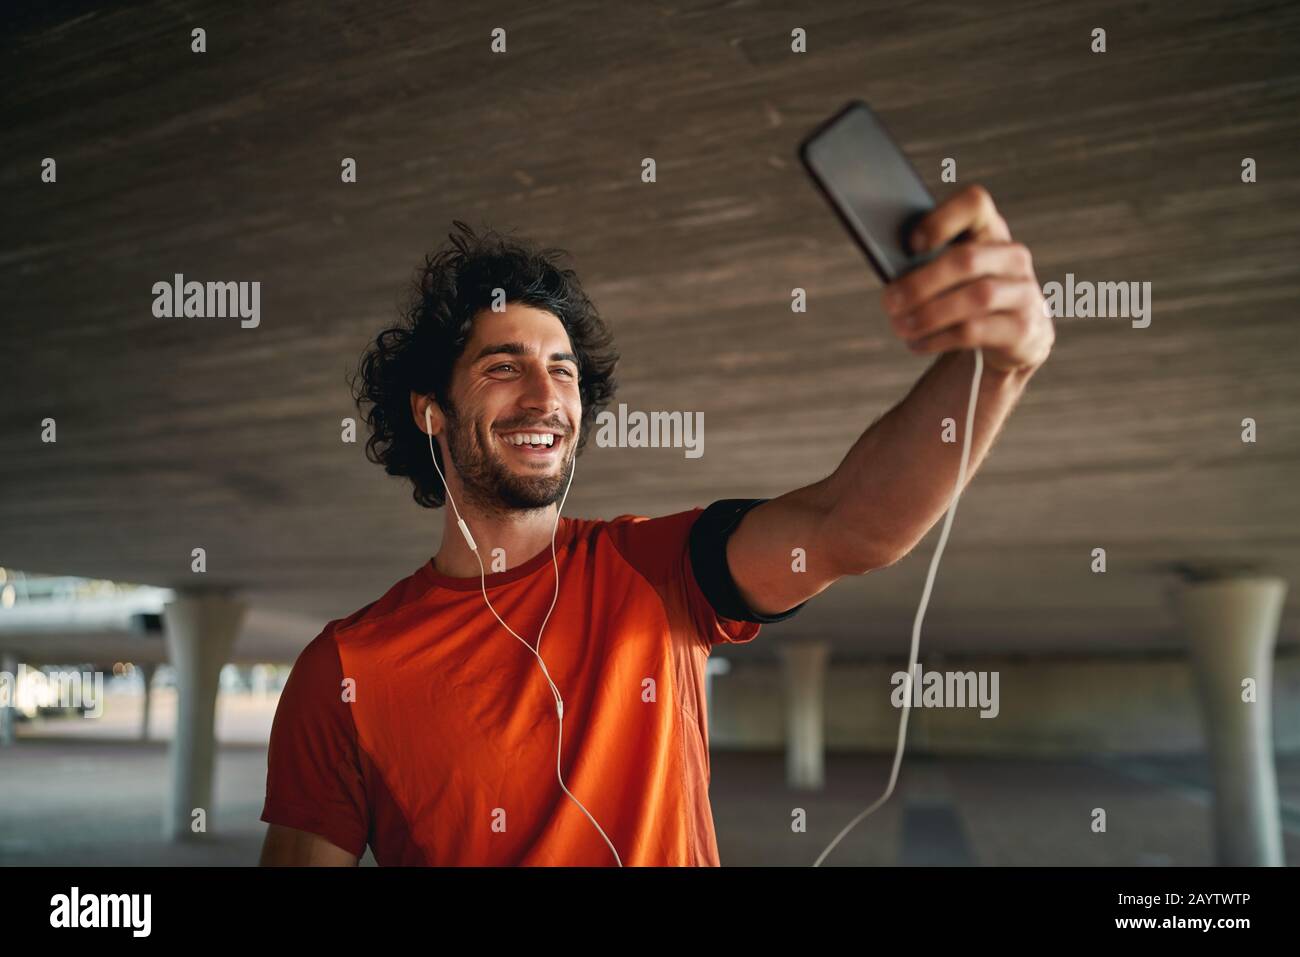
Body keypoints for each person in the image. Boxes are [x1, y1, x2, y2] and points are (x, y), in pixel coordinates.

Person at [258, 185, 1053, 865]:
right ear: (431, 411)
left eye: (562, 371)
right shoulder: (344, 670)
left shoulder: (655, 567)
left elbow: (848, 524)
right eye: (504, 367)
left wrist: (999, 364)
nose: (544, 396)